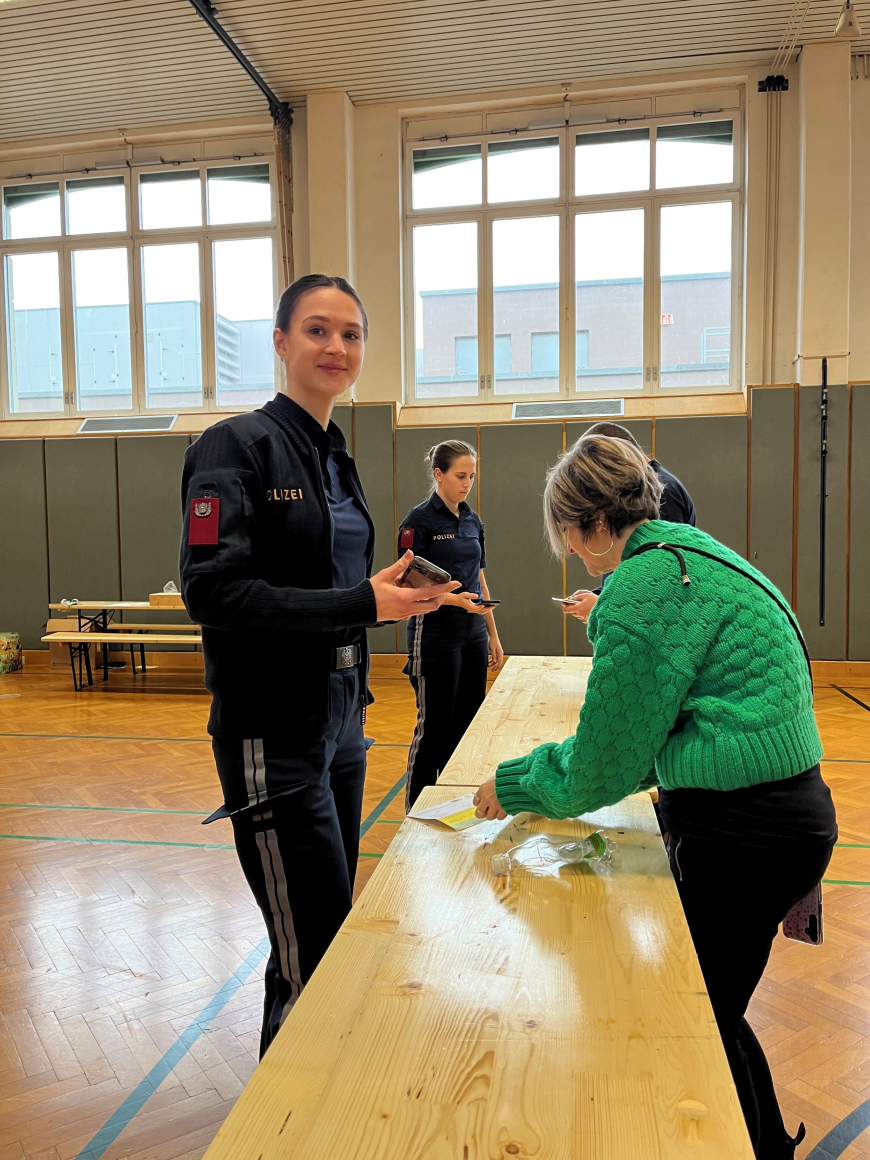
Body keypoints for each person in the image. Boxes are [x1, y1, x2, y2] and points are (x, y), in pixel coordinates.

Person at [472, 433, 836, 1160]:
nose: (573, 554)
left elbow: (605, 767)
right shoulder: (696, 552)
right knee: (712, 1015)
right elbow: (649, 739)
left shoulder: (644, 583)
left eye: (567, 537)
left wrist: (514, 784)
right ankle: (768, 1146)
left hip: (747, 834)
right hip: (787, 817)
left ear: (585, 524)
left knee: (691, 1025)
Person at [179, 273, 457, 1057]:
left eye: (352, 334)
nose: (337, 347)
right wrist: (361, 606)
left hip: (341, 720)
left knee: (312, 941)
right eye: (317, 330)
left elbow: (344, 587)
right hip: (272, 726)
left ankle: (294, 1111)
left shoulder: (335, 456)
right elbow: (214, 591)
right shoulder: (233, 447)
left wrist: (395, 596)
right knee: (319, 955)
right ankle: (297, 1121)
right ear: (279, 342)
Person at [398, 440, 504, 810]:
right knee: (435, 731)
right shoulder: (418, 522)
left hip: (472, 634)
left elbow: (479, 579)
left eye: (472, 476)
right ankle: (416, 811)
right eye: (460, 476)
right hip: (435, 634)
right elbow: (408, 588)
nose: (467, 483)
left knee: (467, 727)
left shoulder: (474, 521)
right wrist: (455, 600)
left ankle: (457, 806)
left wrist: (492, 634)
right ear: (438, 474)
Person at [567, 421, 696, 624]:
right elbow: (631, 564)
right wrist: (602, 595)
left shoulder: (663, 490)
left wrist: (603, 607)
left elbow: (660, 580)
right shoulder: (631, 490)